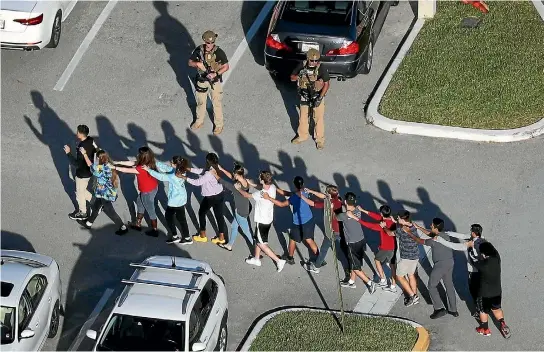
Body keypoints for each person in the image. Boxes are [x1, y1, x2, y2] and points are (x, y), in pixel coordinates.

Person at [402, 217, 459, 319]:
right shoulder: (445, 235)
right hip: (450, 262)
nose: (430, 226)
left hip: (440, 265)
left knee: (432, 286)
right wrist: (418, 227)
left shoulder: (433, 241)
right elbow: (431, 233)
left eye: (432, 225)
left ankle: (439, 308)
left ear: (436, 228)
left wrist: (409, 232)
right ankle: (453, 310)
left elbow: (419, 240)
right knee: (449, 285)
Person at [264, 177, 320, 271]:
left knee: (293, 238)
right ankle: (319, 259)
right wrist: (273, 188)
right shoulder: (305, 191)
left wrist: (268, 198)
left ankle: (290, 258)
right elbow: (287, 193)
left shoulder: (294, 197)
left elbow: (282, 204)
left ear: (294, 184)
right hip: (309, 219)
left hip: (298, 223)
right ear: (303, 183)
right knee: (309, 239)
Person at [235, 171, 286, 272]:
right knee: (258, 239)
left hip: (261, 220)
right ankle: (256, 259)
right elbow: (261, 187)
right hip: (268, 219)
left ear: (263, 180)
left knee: (262, 243)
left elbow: (246, 195)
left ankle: (278, 261)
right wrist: (252, 184)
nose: (258, 179)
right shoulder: (272, 187)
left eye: (260, 178)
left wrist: (238, 188)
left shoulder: (260, 194)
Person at [298, 185, 351, 278]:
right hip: (340, 229)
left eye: (326, 192)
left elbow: (313, 204)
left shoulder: (328, 204)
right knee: (343, 250)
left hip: (332, 231)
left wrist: (301, 196)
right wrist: (311, 191)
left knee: (324, 250)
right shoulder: (337, 199)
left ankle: (317, 267)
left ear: (330, 195)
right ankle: (351, 270)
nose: (325, 193)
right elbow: (324, 196)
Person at [113, 147, 166, 237]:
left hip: (147, 192)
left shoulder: (141, 168)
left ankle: (155, 230)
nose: (137, 155)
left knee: (150, 210)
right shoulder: (149, 162)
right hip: (152, 188)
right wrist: (118, 162)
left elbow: (126, 170)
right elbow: (132, 163)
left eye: (139, 154)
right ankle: (137, 224)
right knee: (139, 203)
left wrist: (113, 167)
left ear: (142, 157)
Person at [77, 148, 128, 236]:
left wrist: (85, 154)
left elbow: (91, 166)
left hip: (104, 194)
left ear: (99, 159)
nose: (95, 159)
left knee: (111, 212)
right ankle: (89, 223)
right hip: (106, 192)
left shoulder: (100, 169)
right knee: (96, 207)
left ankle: (123, 227)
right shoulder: (109, 164)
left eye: (96, 158)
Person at [349, 205, 398, 293]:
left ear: (382, 214)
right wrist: (363, 210)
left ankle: (383, 279)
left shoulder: (382, 224)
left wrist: (356, 218)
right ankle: (393, 286)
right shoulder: (392, 221)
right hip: (394, 246)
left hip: (385, 248)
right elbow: (376, 216)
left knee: (376, 260)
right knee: (393, 266)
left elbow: (369, 225)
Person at [188, 30, 230, 135]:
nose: (210, 45)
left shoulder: (219, 52)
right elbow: (190, 62)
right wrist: (198, 64)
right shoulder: (199, 50)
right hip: (201, 80)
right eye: (208, 42)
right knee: (201, 102)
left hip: (214, 81)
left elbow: (226, 67)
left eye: (212, 42)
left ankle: (219, 125)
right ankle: (199, 121)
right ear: (204, 41)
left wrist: (216, 74)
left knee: (217, 103)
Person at [142, 159, 191, 245]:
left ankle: (175, 236)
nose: (170, 163)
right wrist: (154, 162)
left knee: (168, 217)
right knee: (182, 219)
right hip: (182, 199)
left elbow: (160, 176)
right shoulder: (181, 171)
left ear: (175, 165)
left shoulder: (173, 176)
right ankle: (187, 237)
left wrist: (148, 170)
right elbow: (166, 168)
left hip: (174, 201)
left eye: (171, 162)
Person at [180, 153, 226, 244]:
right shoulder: (216, 168)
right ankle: (221, 238)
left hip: (211, 197)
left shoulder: (209, 173)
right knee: (219, 215)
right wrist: (189, 169)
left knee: (202, 213)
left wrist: (183, 177)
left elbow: (197, 182)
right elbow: (201, 171)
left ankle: (202, 235)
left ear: (208, 161)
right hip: (220, 194)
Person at [335, 192, 376, 293]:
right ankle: (351, 281)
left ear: (345, 201)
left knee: (356, 267)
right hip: (361, 240)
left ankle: (370, 282)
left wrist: (334, 206)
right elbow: (351, 209)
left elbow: (336, 217)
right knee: (354, 263)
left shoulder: (344, 215)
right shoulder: (358, 210)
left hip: (352, 243)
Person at [290, 48, 330, 150]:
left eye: (316, 60)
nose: (314, 62)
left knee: (318, 118)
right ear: (308, 59)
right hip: (305, 95)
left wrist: (320, 98)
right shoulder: (302, 65)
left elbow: (326, 84)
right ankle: (302, 136)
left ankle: (320, 140)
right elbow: (292, 77)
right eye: (312, 60)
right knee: (303, 116)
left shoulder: (321, 68)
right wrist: (300, 75)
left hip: (317, 95)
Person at [444, 224, 486, 317]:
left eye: (471, 231)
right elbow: (462, 236)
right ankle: (482, 307)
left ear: (474, 233)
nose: (470, 233)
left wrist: (441, 239)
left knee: (474, 292)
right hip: (482, 271)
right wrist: (448, 233)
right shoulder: (482, 239)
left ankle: (479, 311)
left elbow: (455, 246)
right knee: (479, 290)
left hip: (473, 272)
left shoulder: (470, 244)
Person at [470, 241, 511, 338]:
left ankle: (485, 329)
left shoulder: (483, 265)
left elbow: (473, 260)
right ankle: (502, 323)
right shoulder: (497, 258)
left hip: (484, 294)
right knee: (496, 308)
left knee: (483, 311)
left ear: (483, 254)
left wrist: (470, 248)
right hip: (497, 292)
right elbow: (493, 250)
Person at [211, 163, 254, 253]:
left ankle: (256, 249)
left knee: (247, 232)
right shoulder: (244, 181)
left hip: (240, 211)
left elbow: (225, 183)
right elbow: (231, 177)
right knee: (234, 226)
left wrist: (214, 174)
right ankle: (229, 245)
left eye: (234, 173)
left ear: (238, 174)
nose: (233, 175)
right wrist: (221, 169)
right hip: (246, 207)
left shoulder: (236, 187)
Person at [64, 124, 97, 220]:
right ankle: (96, 203)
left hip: (82, 174)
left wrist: (68, 153)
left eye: (77, 132)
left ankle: (83, 213)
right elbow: (96, 149)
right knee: (82, 190)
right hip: (89, 171)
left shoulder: (82, 147)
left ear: (81, 134)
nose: (76, 133)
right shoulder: (90, 140)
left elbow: (76, 164)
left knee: (79, 194)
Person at [389, 211, 421, 307]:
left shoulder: (401, 230)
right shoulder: (413, 225)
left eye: (398, 218)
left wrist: (384, 226)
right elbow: (401, 226)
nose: (397, 220)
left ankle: (412, 296)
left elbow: (390, 233)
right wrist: (395, 222)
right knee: (411, 275)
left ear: (403, 219)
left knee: (399, 276)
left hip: (406, 257)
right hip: (415, 256)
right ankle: (415, 295)